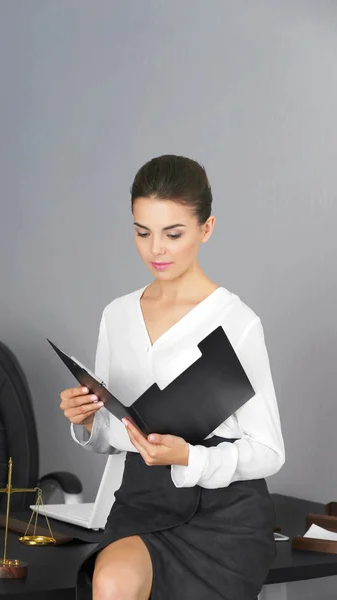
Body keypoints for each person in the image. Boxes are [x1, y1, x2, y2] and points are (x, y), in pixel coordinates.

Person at [59, 154, 285, 600]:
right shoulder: (117, 315)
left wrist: (190, 458)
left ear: (207, 229)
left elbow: (270, 453)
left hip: (225, 516)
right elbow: (114, 435)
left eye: (173, 233)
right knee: (111, 581)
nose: (156, 249)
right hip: (143, 501)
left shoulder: (237, 322)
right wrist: (86, 421)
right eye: (143, 233)